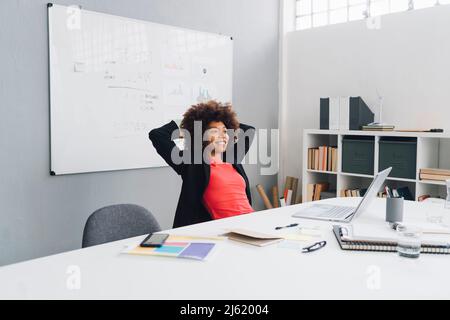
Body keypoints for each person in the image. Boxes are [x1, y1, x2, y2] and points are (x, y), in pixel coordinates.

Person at [149, 100, 255, 228]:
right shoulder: (193, 163)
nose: (223, 136)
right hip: (225, 231)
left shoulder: (231, 158)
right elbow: (157, 134)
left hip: (251, 223)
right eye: (215, 131)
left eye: (225, 131)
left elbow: (249, 130)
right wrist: (190, 124)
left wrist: (222, 117)